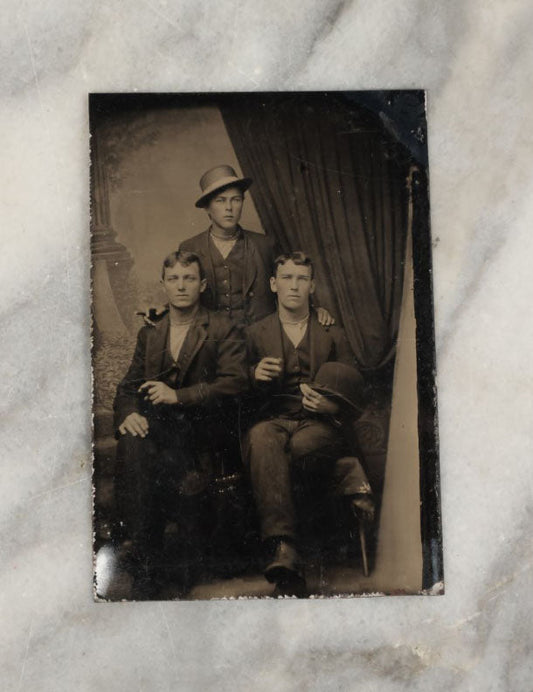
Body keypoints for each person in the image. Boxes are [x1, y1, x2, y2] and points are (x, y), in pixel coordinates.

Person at [113, 250, 248, 598]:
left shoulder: (222, 327)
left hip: (205, 428)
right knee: (133, 441)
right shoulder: (152, 332)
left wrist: (179, 396)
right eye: (173, 279)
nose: (181, 286)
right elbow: (128, 386)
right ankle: (146, 562)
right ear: (163, 285)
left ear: (202, 285)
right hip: (161, 429)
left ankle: (167, 563)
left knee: (165, 457)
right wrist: (130, 413)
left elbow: (234, 384)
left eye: (189, 278)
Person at [243, 252, 374, 597]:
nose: (294, 286)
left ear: (312, 286)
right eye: (286, 278)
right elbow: (232, 386)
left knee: (299, 448)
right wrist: (252, 374)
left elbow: (357, 390)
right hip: (274, 419)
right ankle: (284, 548)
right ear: (273, 284)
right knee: (260, 437)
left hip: (320, 425)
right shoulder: (255, 334)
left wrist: (332, 403)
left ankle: (288, 551)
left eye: (302, 279)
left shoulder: (333, 333)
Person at [143, 164, 334, 328]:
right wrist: (166, 308)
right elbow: (185, 287)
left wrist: (314, 309)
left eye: (235, 200)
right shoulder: (190, 246)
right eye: (220, 201)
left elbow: (288, 281)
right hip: (211, 339)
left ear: (242, 203)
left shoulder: (264, 245)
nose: (229, 208)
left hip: (259, 338)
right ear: (208, 208)